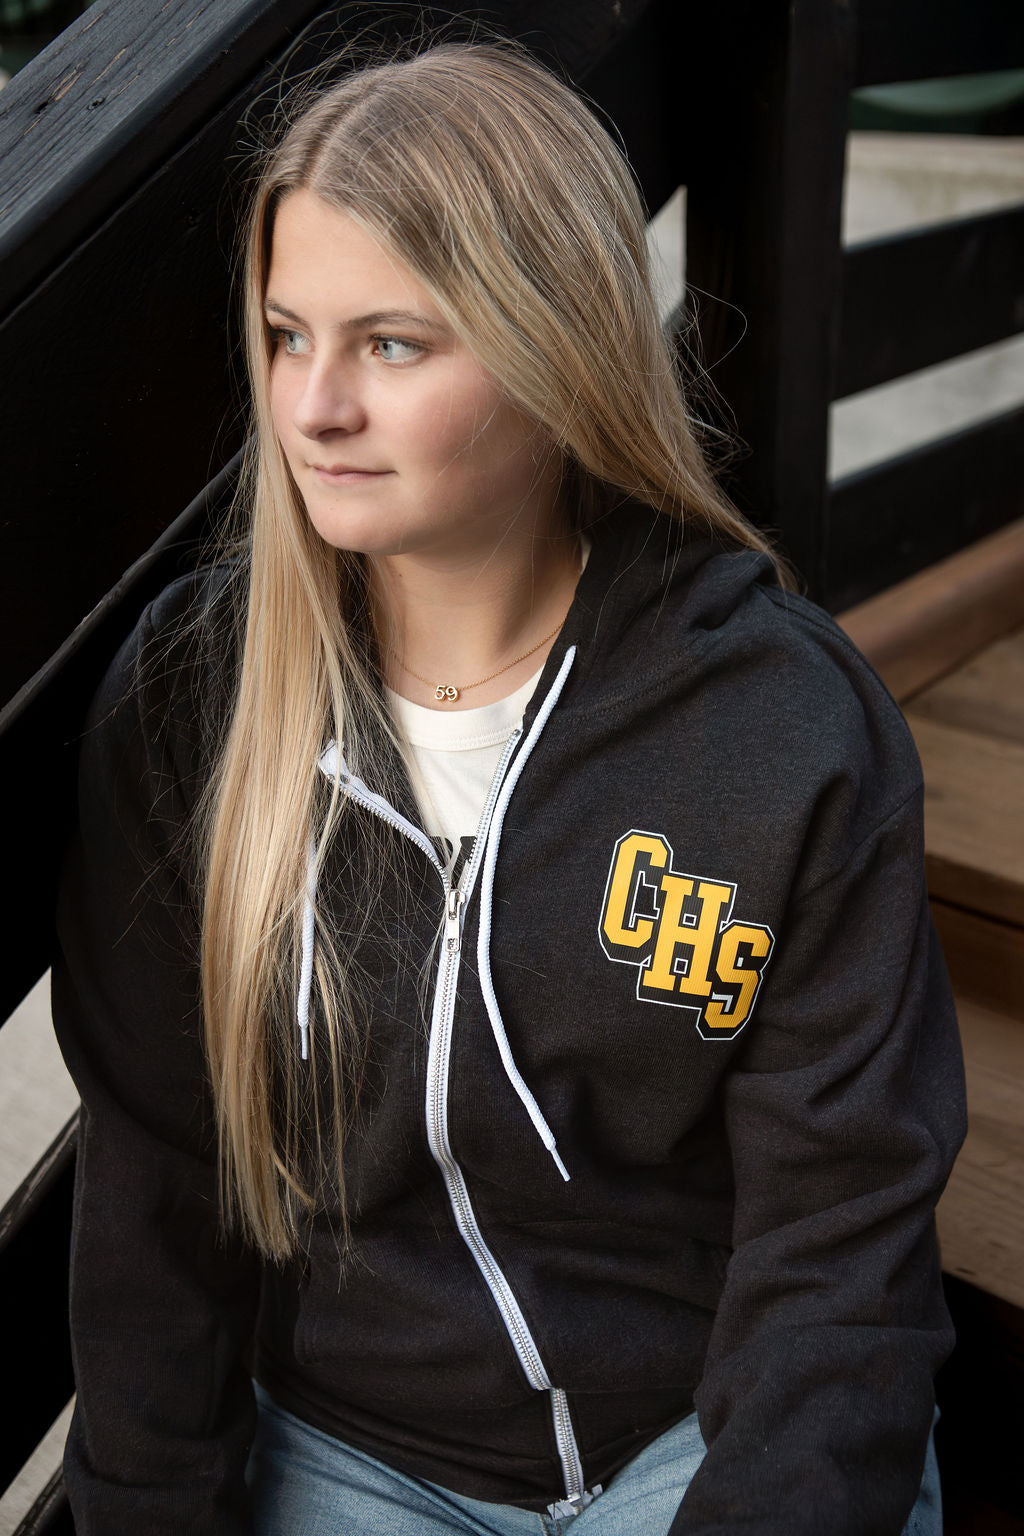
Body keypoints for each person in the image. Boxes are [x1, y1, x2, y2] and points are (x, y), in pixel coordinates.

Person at [53, 39, 966, 1536]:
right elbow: (155, 1187)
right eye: (287, 335)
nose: (313, 408)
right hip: (353, 1453)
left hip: (706, 1433)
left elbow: (841, 1251)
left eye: (392, 345)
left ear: (557, 353)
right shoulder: (194, 703)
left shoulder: (776, 727)